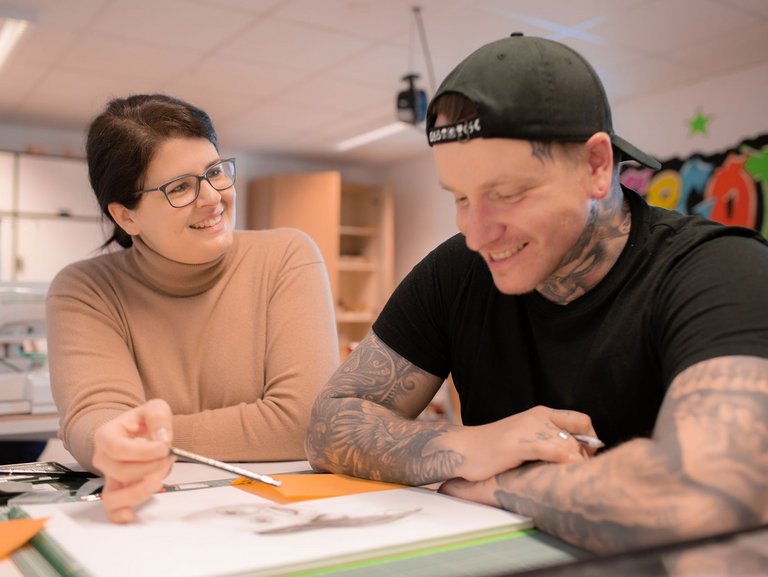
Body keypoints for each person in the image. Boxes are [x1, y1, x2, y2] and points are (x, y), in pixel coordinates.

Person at [305, 33, 768, 554]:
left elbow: (719, 499)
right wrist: (467, 446)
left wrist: (499, 487)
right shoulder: (458, 269)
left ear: (595, 166)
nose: (477, 234)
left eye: (505, 194)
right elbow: (328, 420)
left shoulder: (720, 271)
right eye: (461, 198)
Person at [46, 94, 339, 522]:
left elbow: (304, 422)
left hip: (277, 513)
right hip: (152, 518)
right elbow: (100, 418)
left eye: (215, 173)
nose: (212, 198)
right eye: (180, 187)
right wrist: (99, 435)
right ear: (127, 217)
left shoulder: (286, 255)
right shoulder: (85, 289)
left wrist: (144, 437)